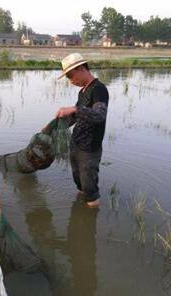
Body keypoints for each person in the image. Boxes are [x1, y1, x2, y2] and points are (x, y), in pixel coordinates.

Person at [55, 53, 109, 208]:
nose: (71, 82)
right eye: (68, 79)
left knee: (89, 188)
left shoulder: (99, 89)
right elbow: (77, 116)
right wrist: (58, 124)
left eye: (71, 76)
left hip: (89, 149)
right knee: (79, 182)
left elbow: (99, 115)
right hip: (76, 144)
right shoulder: (83, 91)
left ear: (80, 68)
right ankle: (79, 209)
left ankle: (90, 219)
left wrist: (73, 109)